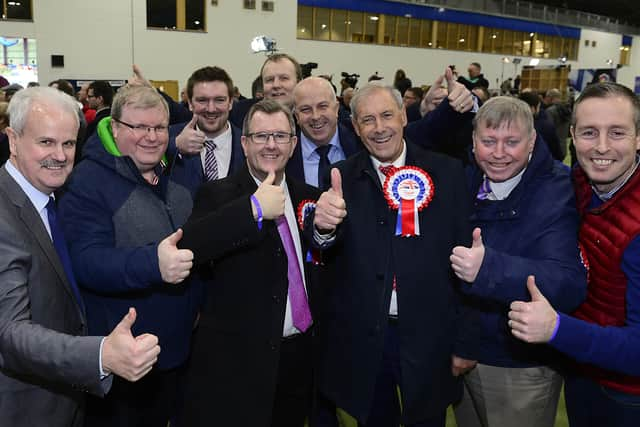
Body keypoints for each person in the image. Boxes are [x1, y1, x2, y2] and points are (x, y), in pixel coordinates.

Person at [311, 82, 472, 427]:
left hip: (431, 338)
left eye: (387, 115)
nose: (379, 128)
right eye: (367, 120)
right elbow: (327, 252)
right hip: (366, 339)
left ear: (403, 116)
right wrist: (322, 229)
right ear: (355, 127)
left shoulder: (447, 172)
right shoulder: (339, 177)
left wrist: (466, 340)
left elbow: (466, 264)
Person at [0, 86, 160, 427]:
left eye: (68, 143)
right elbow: (10, 332)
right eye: (46, 142)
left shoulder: (46, 196)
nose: (59, 155)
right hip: (23, 407)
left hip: (60, 399)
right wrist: (101, 355)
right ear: (13, 140)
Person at [58, 84, 202, 427]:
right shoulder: (86, 181)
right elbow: (85, 262)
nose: (151, 137)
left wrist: (199, 304)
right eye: (139, 127)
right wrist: (153, 263)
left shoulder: (179, 174)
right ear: (116, 127)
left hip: (177, 353)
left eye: (158, 128)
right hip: (123, 361)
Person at [179, 99, 322, 426]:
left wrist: (329, 232)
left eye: (280, 136)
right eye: (260, 136)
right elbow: (191, 245)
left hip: (298, 358)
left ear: (293, 144)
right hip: (239, 363)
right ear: (244, 144)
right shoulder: (217, 195)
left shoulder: (309, 197)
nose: (271, 144)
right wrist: (252, 209)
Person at [445, 96, 587, 427]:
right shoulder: (465, 178)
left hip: (519, 366)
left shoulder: (557, 189)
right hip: (462, 353)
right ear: (473, 140)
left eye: (512, 142)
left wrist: (489, 267)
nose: (498, 153)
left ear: (532, 140)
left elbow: (566, 283)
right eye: (488, 141)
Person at [509, 82, 640, 427]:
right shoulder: (581, 180)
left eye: (617, 133)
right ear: (571, 135)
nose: (601, 147)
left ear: (638, 138)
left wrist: (556, 329)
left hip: (627, 394)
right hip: (582, 373)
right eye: (588, 132)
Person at [169, 66, 245, 187]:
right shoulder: (170, 137)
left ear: (230, 103)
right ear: (190, 103)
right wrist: (174, 147)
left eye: (219, 100)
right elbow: (152, 170)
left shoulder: (248, 143)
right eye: (202, 100)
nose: (211, 109)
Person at [289, 76, 361, 189]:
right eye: (306, 109)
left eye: (322, 106)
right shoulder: (285, 155)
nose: (315, 116)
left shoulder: (360, 143)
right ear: (296, 116)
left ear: (336, 109)